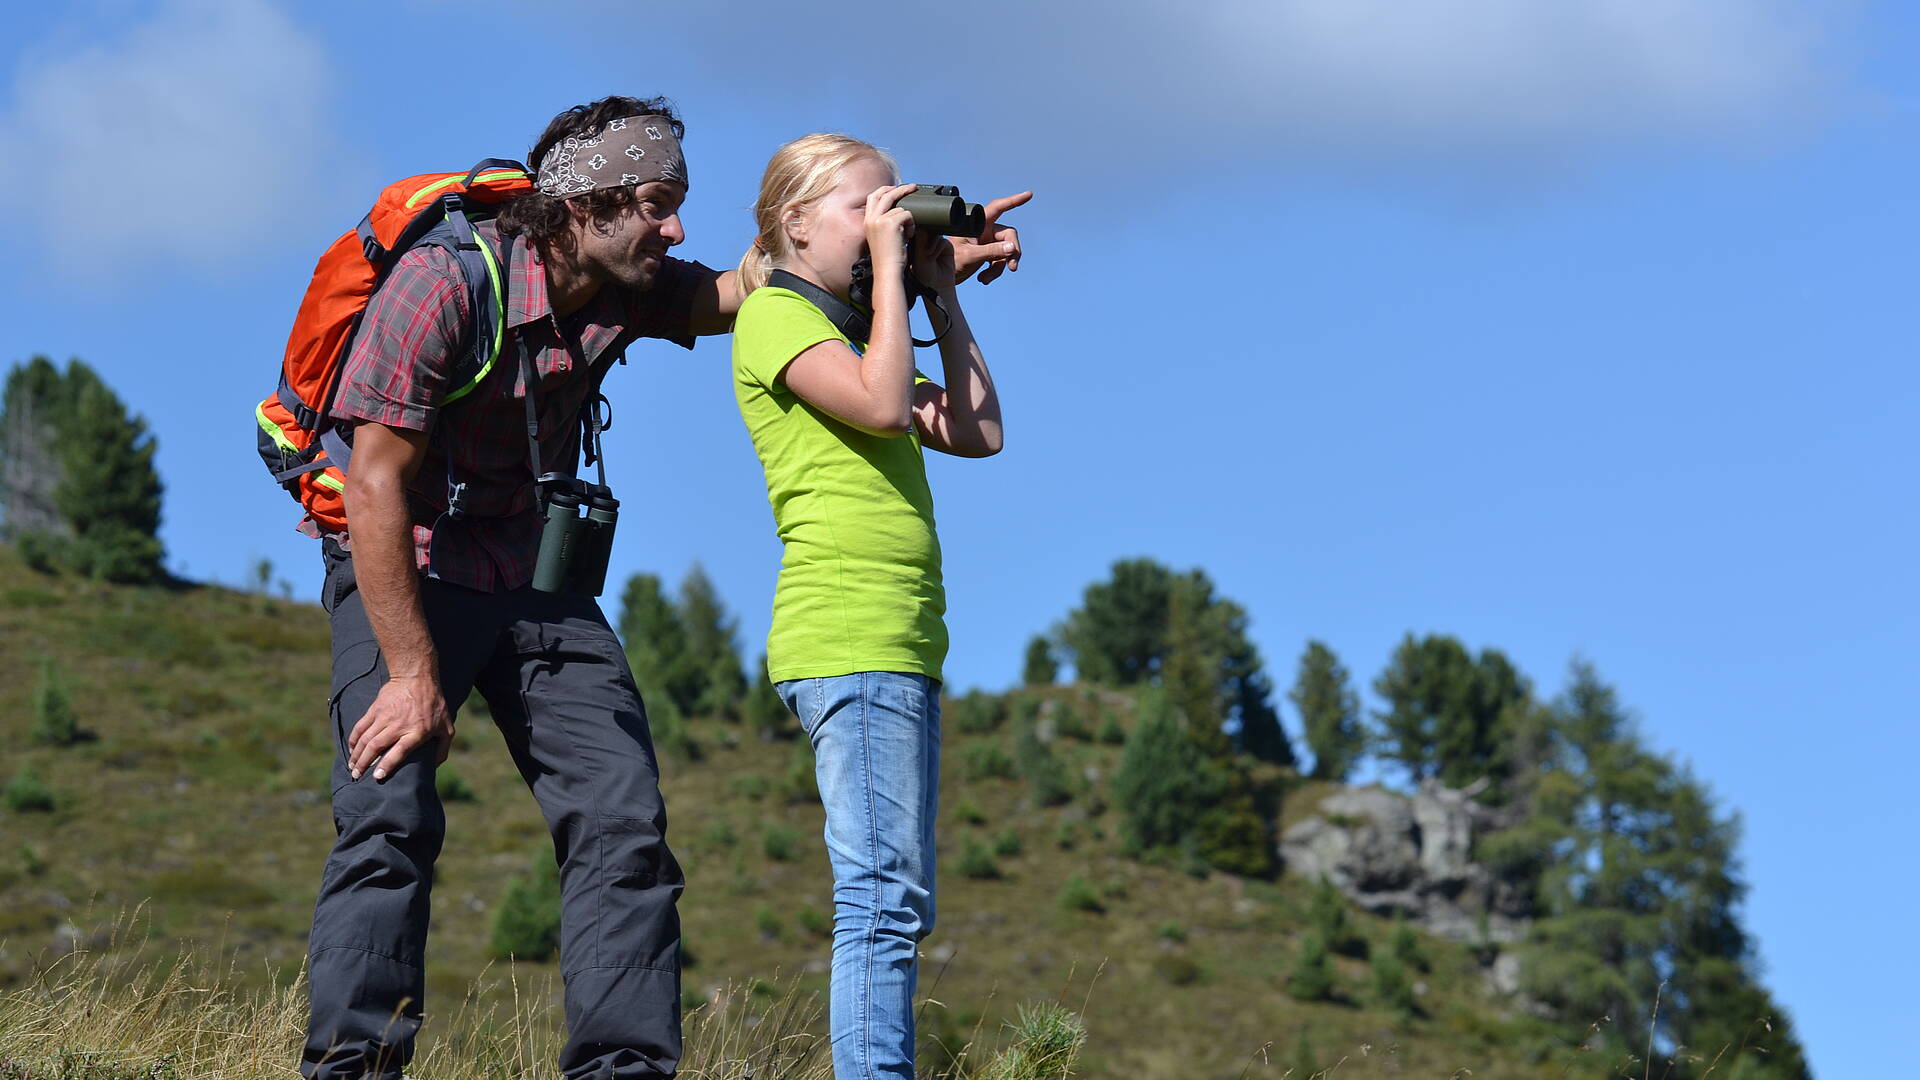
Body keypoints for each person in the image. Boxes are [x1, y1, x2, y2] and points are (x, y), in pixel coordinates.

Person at [300, 98, 1023, 1080]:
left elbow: (758, 283)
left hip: (529, 572)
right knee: (390, 813)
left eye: (677, 205)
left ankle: (623, 1072)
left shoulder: (626, 283)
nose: (676, 228)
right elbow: (375, 482)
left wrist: (919, 250)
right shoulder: (443, 283)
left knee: (621, 816)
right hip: (406, 560)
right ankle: (350, 1069)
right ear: (582, 205)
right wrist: (411, 674)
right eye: (654, 204)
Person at [730, 134, 1025, 1080]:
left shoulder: (862, 333)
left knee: (901, 900)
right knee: (880, 902)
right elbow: (887, 407)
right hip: (848, 631)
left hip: (898, 638)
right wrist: (897, 276)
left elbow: (978, 431)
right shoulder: (776, 319)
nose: (879, 227)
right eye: (865, 210)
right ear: (794, 223)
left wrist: (938, 288)